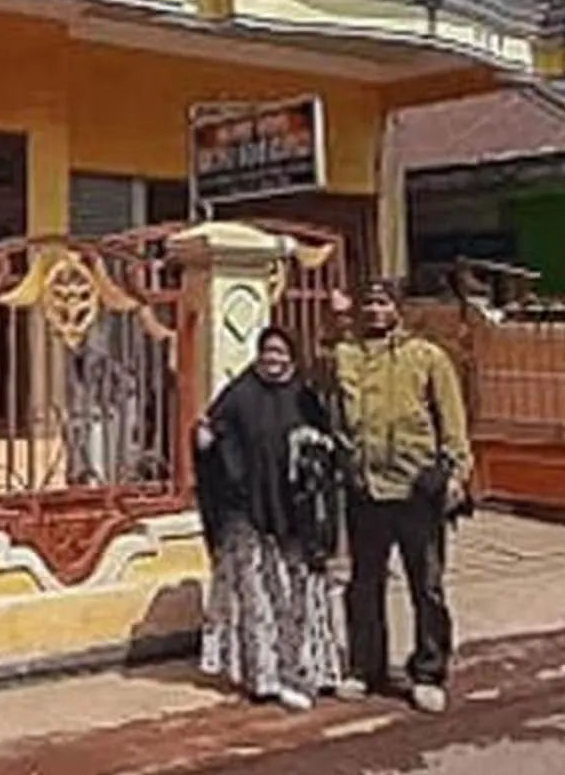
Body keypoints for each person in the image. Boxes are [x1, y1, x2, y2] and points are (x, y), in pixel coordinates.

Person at [329, 277, 472, 714]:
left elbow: (453, 421)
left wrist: (457, 473)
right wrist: (334, 317)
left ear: (398, 308)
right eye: (368, 303)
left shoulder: (426, 358)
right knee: (364, 584)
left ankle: (428, 671)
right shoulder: (345, 355)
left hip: (416, 489)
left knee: (426, 586)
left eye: (382, 302)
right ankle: (364, 666)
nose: (374, 310)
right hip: (366, 489)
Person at [194, 325, 345, 710]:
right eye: (266, 353)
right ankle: (265, 676)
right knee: (260, 594)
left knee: (300, 593)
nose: (273, 360)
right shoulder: (239, 396)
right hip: (252, 515)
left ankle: (308, 669)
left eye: (280, 353)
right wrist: (205, 443)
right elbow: (211, 435)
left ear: (292, 357)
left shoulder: (305, 397)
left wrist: (315, 451)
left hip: (298, 518)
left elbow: (329, 447)